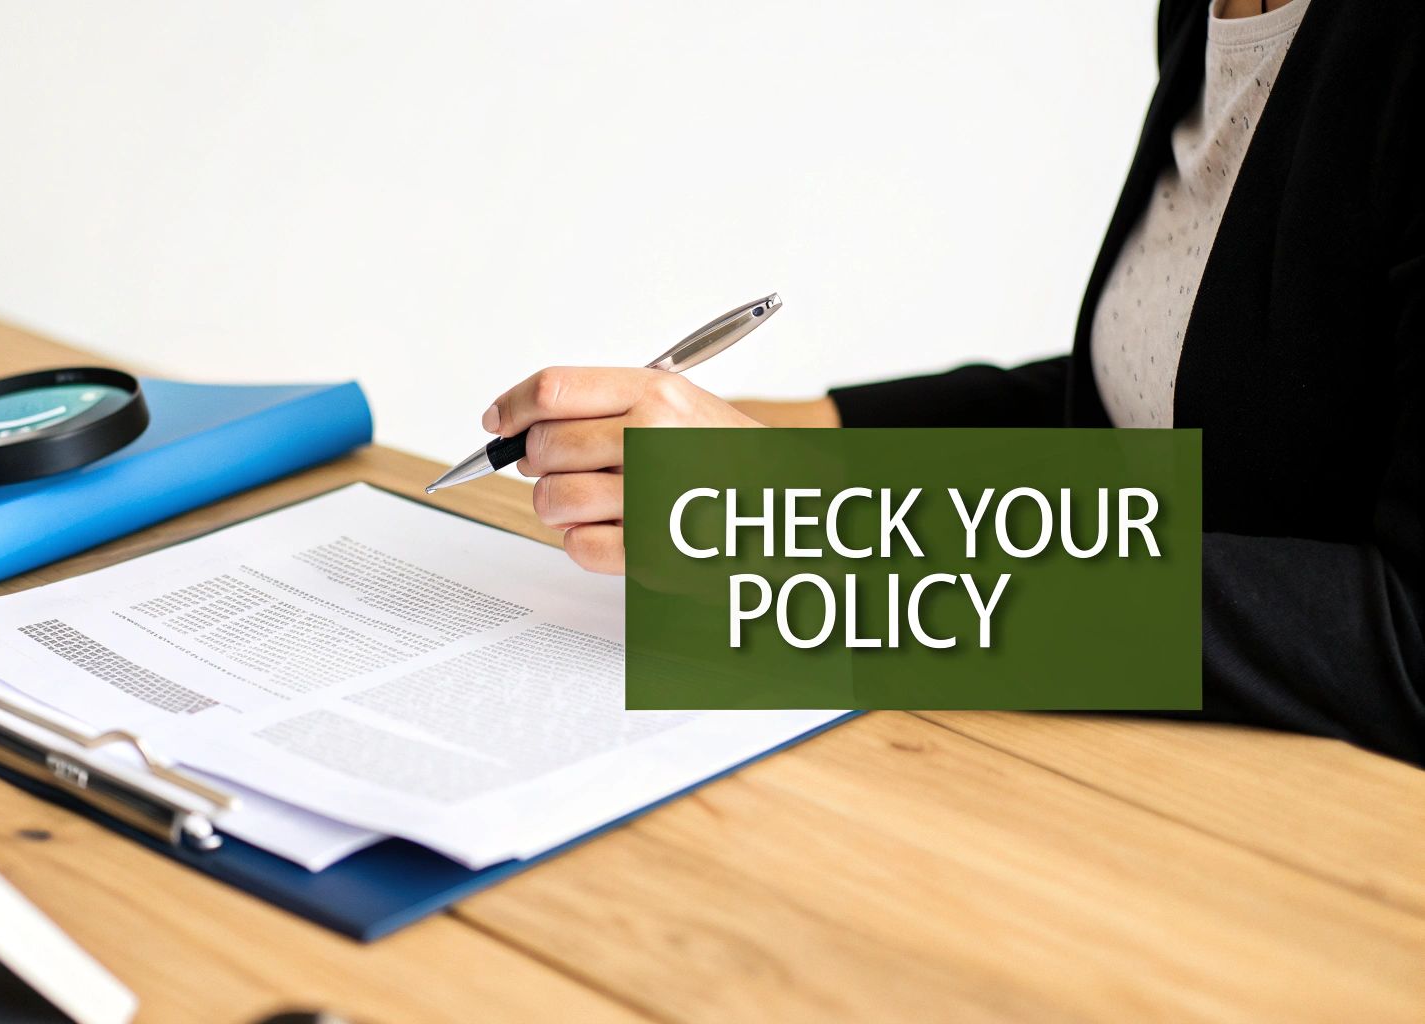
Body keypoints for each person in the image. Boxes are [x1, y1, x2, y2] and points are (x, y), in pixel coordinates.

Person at [480, 0, 1425, 764]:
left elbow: (1408, 641)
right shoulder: (1208, 14)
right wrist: (793, 434)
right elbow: (1177, 397)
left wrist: (821, 531)